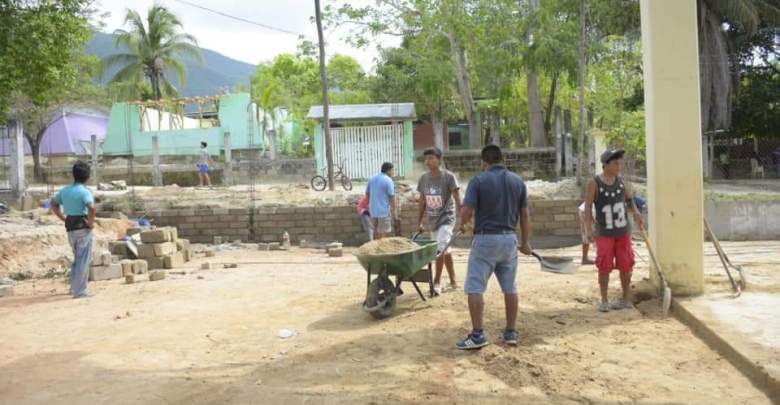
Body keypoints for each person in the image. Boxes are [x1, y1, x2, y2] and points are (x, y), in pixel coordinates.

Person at [457, 145, 532, 349]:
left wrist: (463, 224)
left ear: (484, 161)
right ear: (502, 159)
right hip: (509, 240)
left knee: (475, 287)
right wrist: (525, 242)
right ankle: (510, 332)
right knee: (510, 287)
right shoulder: (517, 181)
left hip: (485, 240)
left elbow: (467, 210)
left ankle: (478, 335)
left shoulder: (479, 180)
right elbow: (524, 215)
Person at [584, 149, 644, 313]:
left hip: (623, 233)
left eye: (619, 163)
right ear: (605, 165)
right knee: (604, 266)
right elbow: (588, 206)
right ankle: (604, 300)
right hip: (604, 234)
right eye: (615, 163)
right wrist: (588, 229)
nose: (619, 166)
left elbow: (630, 200)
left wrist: (637, 214)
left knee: (626, 265)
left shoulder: (621, 182)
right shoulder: (594, 183)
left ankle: (625, 298)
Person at [417, 147, 461, 295]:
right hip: (433, 220)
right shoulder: (424, 178)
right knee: (444, 250)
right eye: (426, 159)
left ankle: (436, 282)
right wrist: (420, 221)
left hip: (447, 218)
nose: (428, 161)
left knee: (440, 249)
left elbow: (457, 198)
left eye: (431, 158)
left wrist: (464, 219)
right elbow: (422, 201)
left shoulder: (449, 177)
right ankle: (454, 280)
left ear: (439, 159)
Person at [51, 161, 96, 299]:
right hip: (82, 227)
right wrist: (90, 223)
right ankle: (80, 291)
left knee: (77, 258)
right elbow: (92, 207)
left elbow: (53, 204)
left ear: (74, 175)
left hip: (70, 227)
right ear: (87, 177)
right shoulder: (85, 192)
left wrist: (62, 218)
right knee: (83, 259)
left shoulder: (65, 190)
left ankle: (74, 287)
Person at [366, 162, 397, 239]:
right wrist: (394, 210)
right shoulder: (388, 180)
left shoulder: (372, 178)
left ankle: (375, 248)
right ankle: (381, 249)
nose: (393, 172)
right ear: (388, 170)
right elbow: (392, 196)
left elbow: (367, 193)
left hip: (373, 210)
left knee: (375, 231)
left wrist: (370, 203)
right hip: (383, 211)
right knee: (382, 232)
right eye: (393, 170)